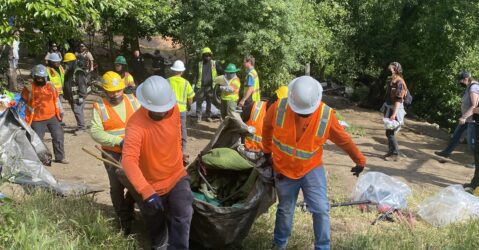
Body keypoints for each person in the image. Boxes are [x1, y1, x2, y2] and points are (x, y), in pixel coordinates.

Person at [262, 76, 366, 250]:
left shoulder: (326, 116)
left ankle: (322, 247)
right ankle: (279, 245)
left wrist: (359, 160)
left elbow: (344, 140)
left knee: (320, 209)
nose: (303, 115)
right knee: (285, 210)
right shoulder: (278, 107)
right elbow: (266, 127)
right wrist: (266, 152)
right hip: (284, 169)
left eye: (306, 112)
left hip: (311, 168)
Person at [122, 76, 193, 249]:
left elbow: (176, 134)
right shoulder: (135, 125)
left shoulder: (174, 109)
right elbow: (128, 160)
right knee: (156, 224)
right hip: (152, 184)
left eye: (164, 108)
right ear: (145, 104)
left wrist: (179, 154)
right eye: (157, 109)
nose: (162, 112)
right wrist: (146, 191)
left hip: (176, 175)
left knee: (183, 212)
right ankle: (160, 245)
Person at [90, 71, 140, 235]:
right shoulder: (100, 107)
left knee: (136, 184)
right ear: (104, 90)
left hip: (134, 151)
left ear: (123, 87)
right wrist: (118, 142)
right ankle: (123, 219)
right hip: (113, 154)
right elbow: (96, 132)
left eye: (118, 90)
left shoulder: (133, 101)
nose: (114, 94)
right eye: (110, 91)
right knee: (116, 186)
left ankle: (129, 209)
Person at [21, 65, 68, 164]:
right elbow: (23, 101)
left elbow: (56, 99)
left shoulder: (50, 86)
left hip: (52, 116)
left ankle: (60, 157)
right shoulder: (29, 88)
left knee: (58, 136)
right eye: (38, 77)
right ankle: (44, 159)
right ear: (34, 77)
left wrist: (61, 113)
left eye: (42, 77)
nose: (40, 79)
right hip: (37, 119)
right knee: (38, 141)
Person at [435, 71, 479, 163]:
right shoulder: (469, 87)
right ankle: (446, 152)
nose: (460, 83)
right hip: (467, 119)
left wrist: (464, 117)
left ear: (466, 79)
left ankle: (476, 164)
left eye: (461, 81)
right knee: (456, 136)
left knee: (472, 143)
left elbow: (474, 105)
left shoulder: (474, 88)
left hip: (472, 120)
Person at [168, 60, 195, 163]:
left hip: (170, 109)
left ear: (173, 70)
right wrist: (189, 105)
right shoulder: (186, 83)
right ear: (182, 71)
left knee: (170, 128)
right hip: (182, 110)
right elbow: (190, 97)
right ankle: (183, 149)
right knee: (182, 128)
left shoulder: (168, 81)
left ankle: (171, 148)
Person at [381, 62, 408, 161]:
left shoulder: (399, 82)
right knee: (388, 132)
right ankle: (391, 152)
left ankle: (395, 154)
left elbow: (398, 100)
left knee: (390, 132)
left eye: (391, 69)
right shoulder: (392, 80)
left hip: (395, 110)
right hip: (389, 109)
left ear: (396, 70)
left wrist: (394, 114)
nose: (389, 70)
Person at [62, 53, 89, 135]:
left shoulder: (78, 72)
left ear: (72, 62)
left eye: (67, 63)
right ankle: (80, 126)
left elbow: (82, 85)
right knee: (76, 111)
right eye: (65, 63)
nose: (66, 65)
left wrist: (82, 96)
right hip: (72, 97)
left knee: (78, 111)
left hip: (78, 97)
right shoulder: (68, 72)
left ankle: (82, 128)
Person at [194, 47, 223, 122]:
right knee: (199, 102)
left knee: (209, 102)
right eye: (205, 55)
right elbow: (196, 75)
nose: (207, 56)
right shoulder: (199, 64)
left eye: (209, 55)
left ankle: (208, 116)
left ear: (211, 55)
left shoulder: (214, 63)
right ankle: (198, 117)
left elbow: (221, 72)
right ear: (202, 56)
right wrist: (194, 84)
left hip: (211, 87)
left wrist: (220, 84)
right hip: (201, 87)